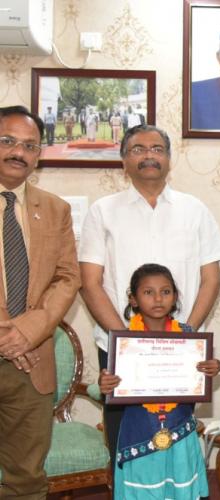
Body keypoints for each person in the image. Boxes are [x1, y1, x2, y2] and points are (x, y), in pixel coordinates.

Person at [78, 124, 220, 474]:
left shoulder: (195, 210)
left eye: (157, 148)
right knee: (126, 447)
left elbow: (210, 279)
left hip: (181, 349)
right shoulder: (103, 211)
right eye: (138, 149)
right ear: (123, 160)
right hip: (120, 348)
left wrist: (188, 332)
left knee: (175, 443)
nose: (149, 155)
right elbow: (90, 283)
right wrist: (126, 341)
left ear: (169, 158)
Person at [0, 105, 81, 497]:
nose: (18, 151)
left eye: (29, 145)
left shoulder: (54, 209)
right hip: (17, 346)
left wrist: (27, 332)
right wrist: (7, 334)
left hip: (32, 364)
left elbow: (68, 278)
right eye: (8, 141)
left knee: (26, 478)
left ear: (38, 155)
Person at [98, 263, 220, 499]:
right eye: (148, 292)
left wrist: (214, 367)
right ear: (133, 300)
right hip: (139, 433)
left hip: (180, 433)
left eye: (165, 292)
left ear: (175, 298)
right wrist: (104, 385)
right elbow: (104, 384)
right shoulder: (125, 343)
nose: (158, 299)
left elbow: (202, 373)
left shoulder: (188, 338)